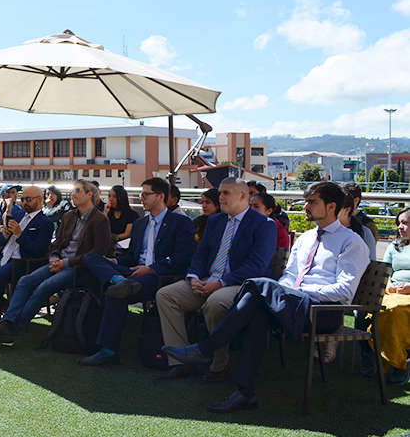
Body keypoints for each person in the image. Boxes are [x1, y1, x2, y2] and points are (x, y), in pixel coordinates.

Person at [163, 181, 370, 413]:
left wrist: (294, 293)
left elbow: (344, 291)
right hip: (291, 304)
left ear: (332, 206)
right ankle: (246, 393)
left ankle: (205, 349)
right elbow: (289, 276)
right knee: (258, 307)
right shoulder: (305, 238)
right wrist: (283, 292)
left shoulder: (352, 242)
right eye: (306, 201)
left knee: (258, 286)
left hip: (322, 312)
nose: (305, 207)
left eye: (312, 202)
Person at [154, 177, 276, 383]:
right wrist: (193, 278)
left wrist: (219, 283)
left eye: (226, 193)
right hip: (207, 280)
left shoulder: (264, 224)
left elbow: (256, 266)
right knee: (166, 295)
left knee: (216, 302)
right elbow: (200, 254)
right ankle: (183, 363)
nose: (220, 197)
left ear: (243, 196)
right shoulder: (216, 221)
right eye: (220, 192)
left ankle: (218, 366)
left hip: (242, 284)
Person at [78, 178, 196, 366]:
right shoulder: (140, 223)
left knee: (117, 294)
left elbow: (182, 259)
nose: (141, 198)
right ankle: (117, 280)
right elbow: (132, 257)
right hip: (131, 273)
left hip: (159, 276)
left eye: (145, 194)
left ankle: (108, 351)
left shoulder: (180, 222)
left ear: (160, 196)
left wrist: (151, 269)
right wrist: (114, 261)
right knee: (91, 258)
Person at [0, 179, 111, 344]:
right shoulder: (69, 216)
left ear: (89, 194)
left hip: (79, 268)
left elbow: (97, 254)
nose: (73, 194)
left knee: (44, 287)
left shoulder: (100, 220)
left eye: (77, 191)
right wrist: (55, 257)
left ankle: (12, 328)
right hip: (58, 263)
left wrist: (66, 263)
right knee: (26, 281)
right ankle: (7, 322)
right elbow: (56, 244)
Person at [0, 186, 54, 325]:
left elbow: (38, 250)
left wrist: (20, 234)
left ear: (40, 200)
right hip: (3, 256)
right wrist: (4, 235)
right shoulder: (17, 215)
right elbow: (0, 242)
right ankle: (3, 304)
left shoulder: (45, 223)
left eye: (28, 199)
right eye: (23, 199)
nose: (24, 202)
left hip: (22, 261)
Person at [360, 207, 410, 385]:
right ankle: (372, 356)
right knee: (368, 310)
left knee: (396, 311)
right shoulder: (394, 246)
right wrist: (388, 284)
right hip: (391, 291)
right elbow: (384, 271)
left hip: (407, 296)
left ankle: (401, 362)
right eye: (399, 223)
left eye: (405, 223)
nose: (400, 227)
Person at [337, 190, 376, 261]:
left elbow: (372, 262)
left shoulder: (364, 232)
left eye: (335, 209)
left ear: (347, 210)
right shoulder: (324, 231)